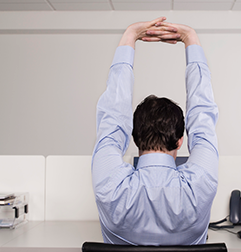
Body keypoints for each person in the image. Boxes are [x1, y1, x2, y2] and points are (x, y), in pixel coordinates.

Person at [92, 17, 219, 245]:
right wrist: (190, 37)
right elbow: (203, 119)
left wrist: (130, 34)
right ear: (181, 141)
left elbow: (113, 117)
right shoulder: (200, 185)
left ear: (134, 137)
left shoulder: (110, 185)